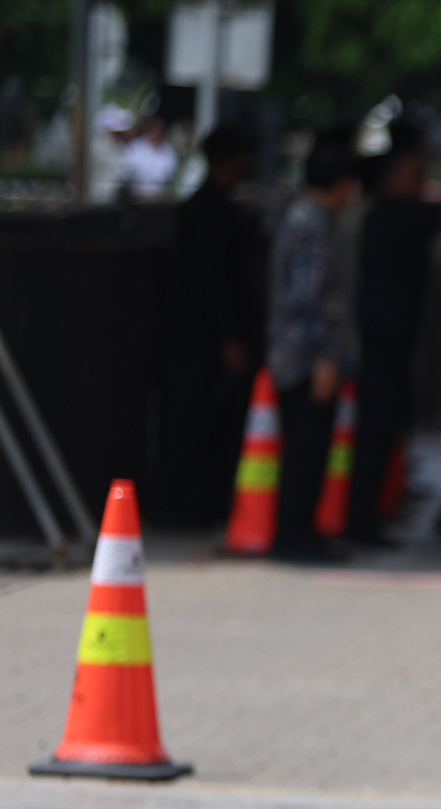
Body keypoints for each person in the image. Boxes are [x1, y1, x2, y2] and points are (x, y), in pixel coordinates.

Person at [265, 129, 361, 563]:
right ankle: (293, 534)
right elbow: (308, 296)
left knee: (310, 448)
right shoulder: (313, 223)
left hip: (299, 352)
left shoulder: (302, 217)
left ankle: (303, 530)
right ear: (340, 183)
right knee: (305, 449)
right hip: (305, 357)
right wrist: (324, 357)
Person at [159, 125, 261, 525]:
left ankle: (196, 500)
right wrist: (229, 336)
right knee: (194, 419)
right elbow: (215, 279)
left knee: (200, 418)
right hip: (201, 336)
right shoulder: (211, 212)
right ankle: (183, 501)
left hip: (197, 334)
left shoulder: (208, 207)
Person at [350, 121, 441, 546]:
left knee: (386, 430)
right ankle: (363, 519)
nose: (423, 183)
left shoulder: (390, 214)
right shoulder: (391, 214)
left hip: (394, 338)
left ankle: (374, 512)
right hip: (378, 340)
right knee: (375, 431)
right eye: (416, 175)